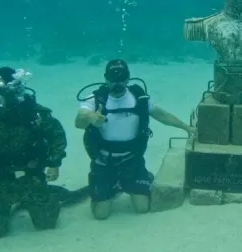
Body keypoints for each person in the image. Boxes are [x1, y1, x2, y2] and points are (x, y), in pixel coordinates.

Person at [75, 59, 195, 219]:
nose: (117, 82)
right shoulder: (95, 99)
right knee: (101, 214)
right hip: (103, 161)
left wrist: (186, 128)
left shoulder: (139, 97)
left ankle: (137, 179)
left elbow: (162, 115)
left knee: (142, 207)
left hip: (132, 159)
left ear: (128, 79)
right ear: (105, 78)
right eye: (113, 77)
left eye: (122, 77)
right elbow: (79, 121)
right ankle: (112, 186)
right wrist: (91, 117)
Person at [0, 67, 71, 240]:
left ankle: (48, 192)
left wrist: (54, 162)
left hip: (32, 175)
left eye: (15, 89)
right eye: (5, 90)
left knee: (47, 222)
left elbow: (56, 135)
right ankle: (26, 197)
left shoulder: (35, 112)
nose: (10, 95)